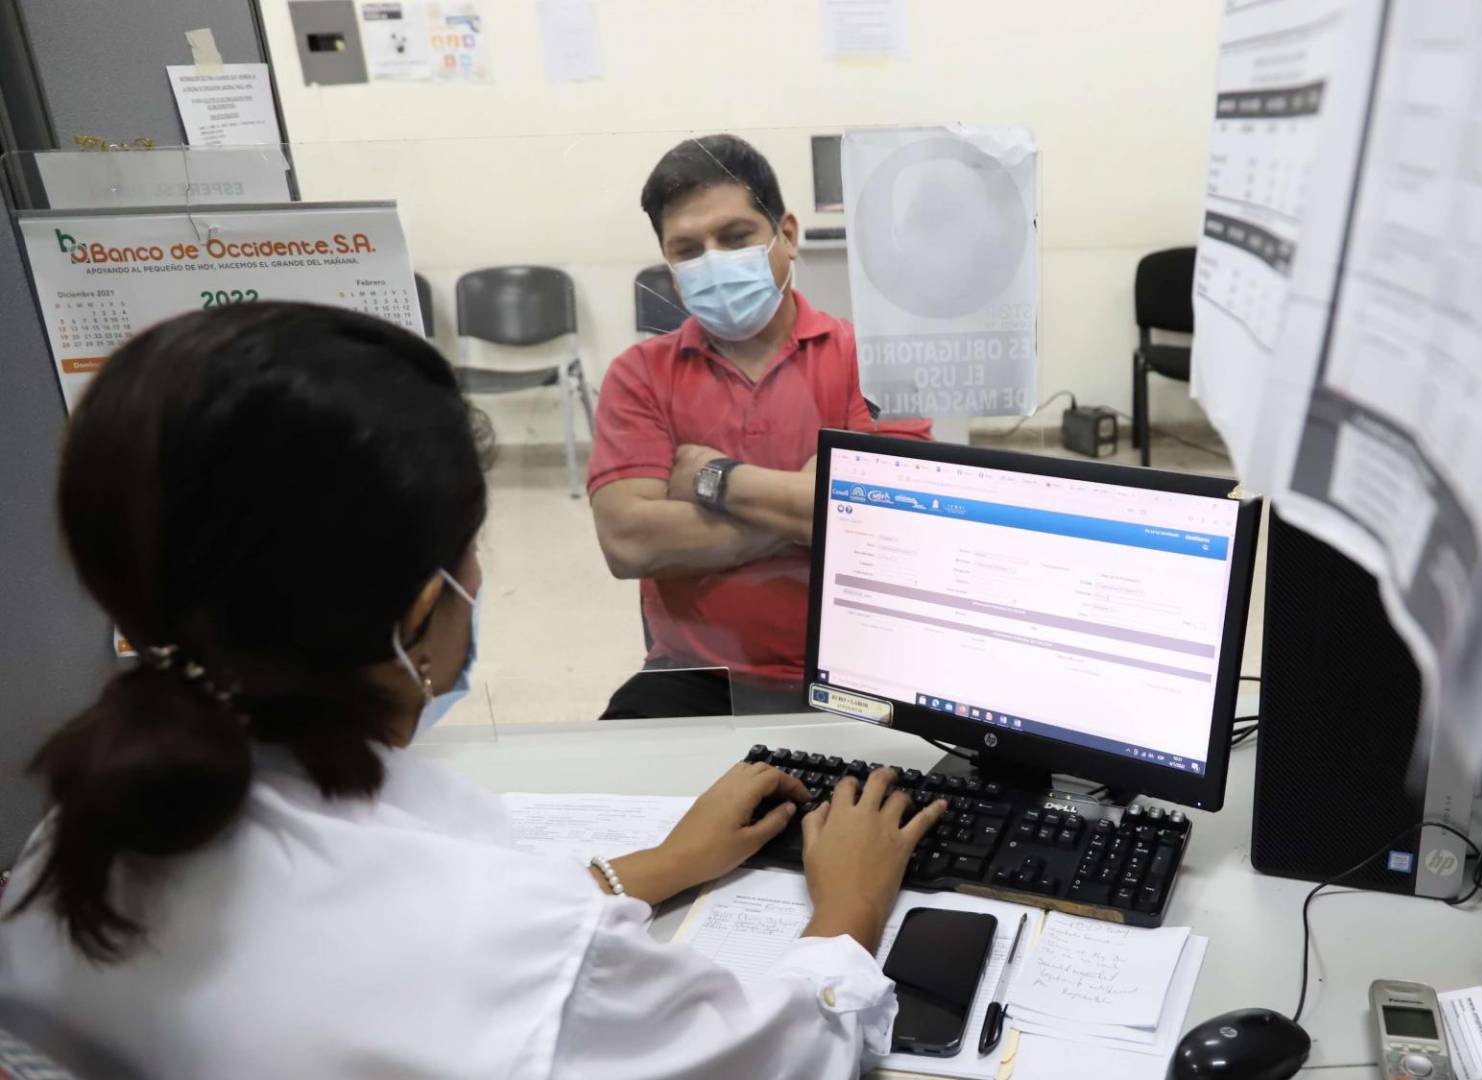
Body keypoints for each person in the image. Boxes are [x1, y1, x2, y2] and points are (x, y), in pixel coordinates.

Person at [0, 303, 946, 1079]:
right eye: (471, 551)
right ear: (422, 612)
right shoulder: (506, 948)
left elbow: (368, 932)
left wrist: (653, 867)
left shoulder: (74, 842)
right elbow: (785, 1060)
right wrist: (846, 919)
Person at [589, 134, 931, 717]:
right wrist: (807, 510)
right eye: (688, 249)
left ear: (787, 235)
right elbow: (628, 541)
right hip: (695, 674)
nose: (714, 261)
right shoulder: (639, 375)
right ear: (670, 269)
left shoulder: (873, 358)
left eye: (735, 237)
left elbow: (883, 524)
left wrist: (714, 479)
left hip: (860, 668)